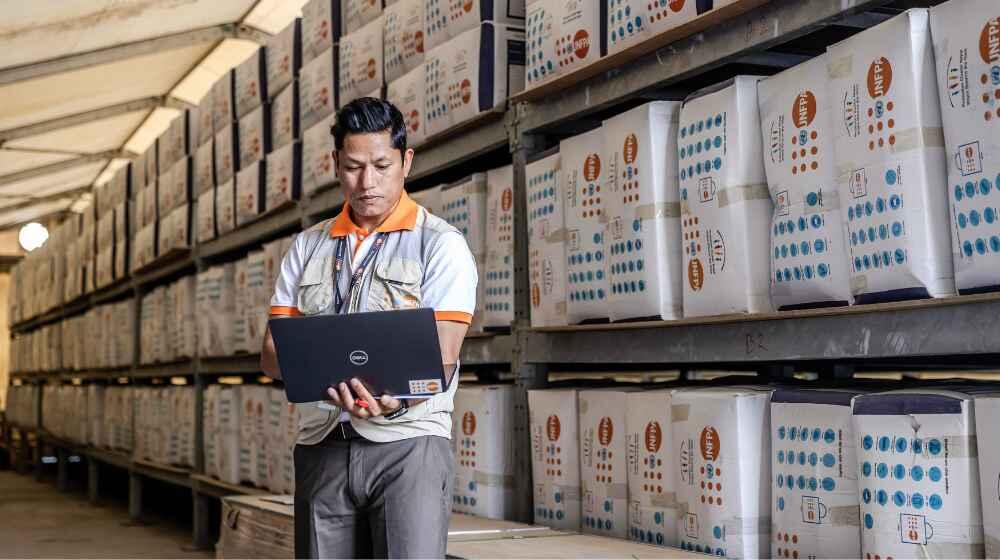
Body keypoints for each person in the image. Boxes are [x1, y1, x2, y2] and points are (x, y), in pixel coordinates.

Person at [260, 97, 478, 559]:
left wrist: (393, 400)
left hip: (408, 445)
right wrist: (321, 379)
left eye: (382, 165)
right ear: (335, 163)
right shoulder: (307, 247)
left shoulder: (439, 245)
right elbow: (272, 354)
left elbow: (442, 353)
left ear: (406, 160)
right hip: (323, 445)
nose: (368, 182)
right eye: (354, 167)